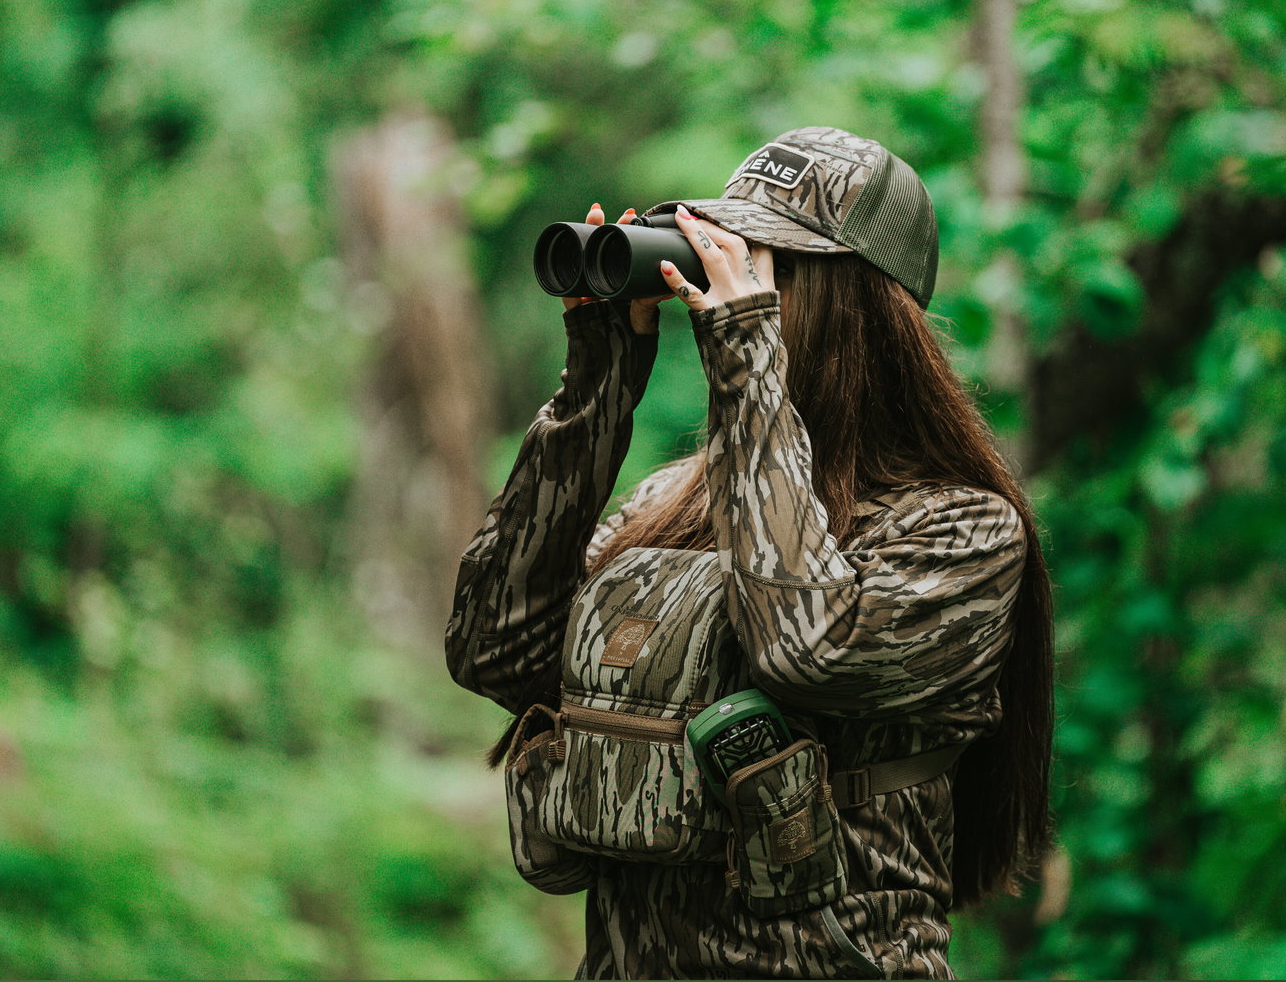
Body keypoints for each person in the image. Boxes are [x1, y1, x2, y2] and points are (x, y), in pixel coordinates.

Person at [446, 126, 1054, 980]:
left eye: (765, 264)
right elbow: (494, 649)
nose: (721, 282)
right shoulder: (670, 504)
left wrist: (746, 353)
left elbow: (803, 645)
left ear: (856, 304)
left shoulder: (962, 532)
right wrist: (598, 386)